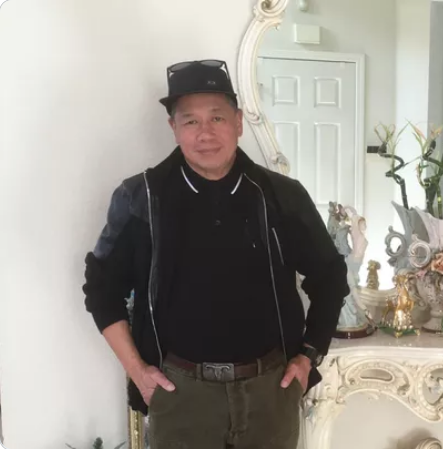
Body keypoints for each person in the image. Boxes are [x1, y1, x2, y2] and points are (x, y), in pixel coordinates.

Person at [82, 59, 349, 449]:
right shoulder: (141, 199)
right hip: (180, 395)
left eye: (217, 118)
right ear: (174, 129)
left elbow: (329, 275)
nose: (205, 133)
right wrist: (138, 371)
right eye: (190, 121)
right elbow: (101, 289)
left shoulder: (281, 196)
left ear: (239, 123)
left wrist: (309, 356)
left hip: (270, 391)